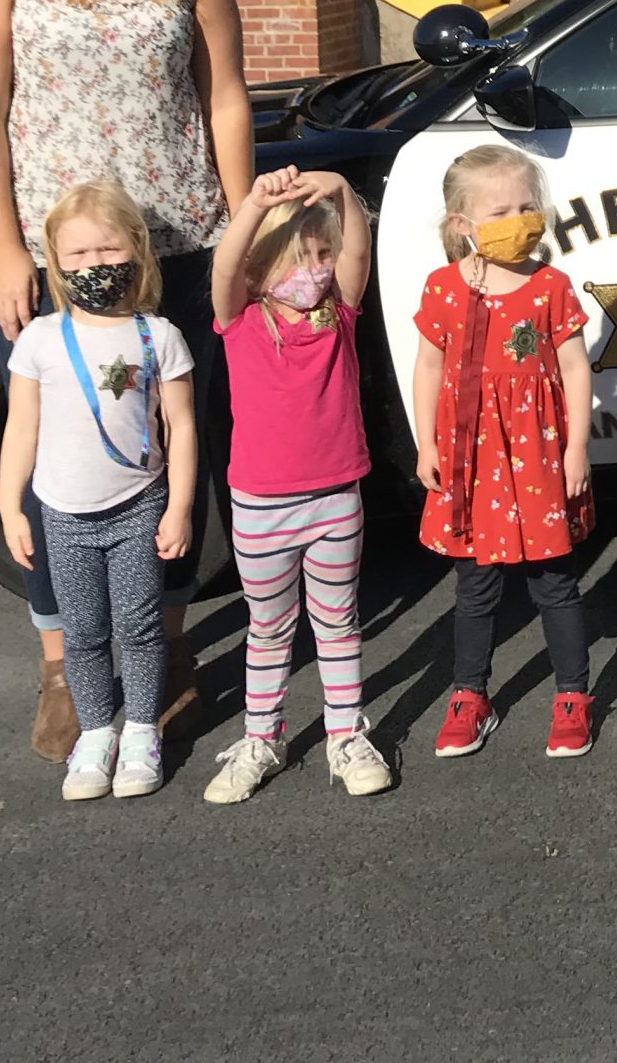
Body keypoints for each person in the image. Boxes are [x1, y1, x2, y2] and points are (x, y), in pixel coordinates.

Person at [0, 0, 253, 762]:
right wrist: (2, 244)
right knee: (62, 469)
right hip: (67, 262)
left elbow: (223, 100)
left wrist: (241, 225)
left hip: (179, 247)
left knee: (167, 455)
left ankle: (163, 650)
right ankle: (61, 665)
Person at [0, 181, 198, 802]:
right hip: (64, 513)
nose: (93, 266)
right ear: (55, 263)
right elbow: (21, 427)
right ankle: (94, 734)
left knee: (137, 626)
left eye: (107, 251)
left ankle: (140, 731)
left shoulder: (156, 335)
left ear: (136, 252)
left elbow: (182, 426)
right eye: (77, 255)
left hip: (139, 506)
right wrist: (10, 506)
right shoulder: (40, 341)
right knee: (82, 631)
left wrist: (181, 506)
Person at [200, 166, 391, 804]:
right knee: (269, 628)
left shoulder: (340, 313)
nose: (313, 267)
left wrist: (339, 189)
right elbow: (225, 271)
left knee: (338, 624)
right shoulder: (243, 321)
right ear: (263, 267)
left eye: (321, 254)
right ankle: (263, 737)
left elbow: (360, 248)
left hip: (337, 499)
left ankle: (345, 735)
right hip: (260, 507)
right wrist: (253, 206)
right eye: (295, 257)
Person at [413, 143, 598, 762]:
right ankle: (470, 694)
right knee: (475, 587)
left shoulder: (550, 286)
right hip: (471, 461)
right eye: (501, 211)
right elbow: (428, 368)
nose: (519, 220)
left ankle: (573, 696)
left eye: (527, 206)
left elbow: (574, 368)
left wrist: (577, 448)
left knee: (555, 582)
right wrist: (425, 444)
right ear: (461, 225)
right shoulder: (443, 288)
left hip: (540, 458)